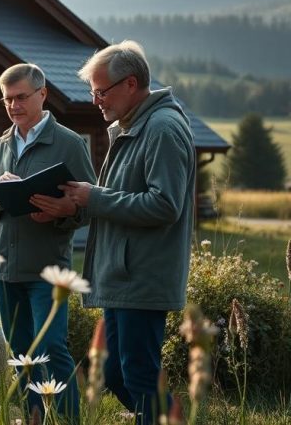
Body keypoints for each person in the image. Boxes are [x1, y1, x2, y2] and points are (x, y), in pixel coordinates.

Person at [62, 41, 196, 425]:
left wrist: (95, 198)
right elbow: (122, 199)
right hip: (123, 275)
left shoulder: (163, 128)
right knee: (119, 374)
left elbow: (164, 205)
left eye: (101, 92)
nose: (95, 101)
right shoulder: (136, 125)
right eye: (93, 92)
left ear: (131, 84)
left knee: (138, 374)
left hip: (143, 275)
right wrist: (79, 202)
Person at [0, 63, 95, 419]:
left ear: (43, 94)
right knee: (20, 350)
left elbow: (88, 208)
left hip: (47, 268)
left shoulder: (70, 144)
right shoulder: (1, 145)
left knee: (51, 346)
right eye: (7, 99)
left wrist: (61, 211)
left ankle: (69, 419)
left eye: (20, 97)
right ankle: (34, 416)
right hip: (4, 268)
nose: (13, 105)